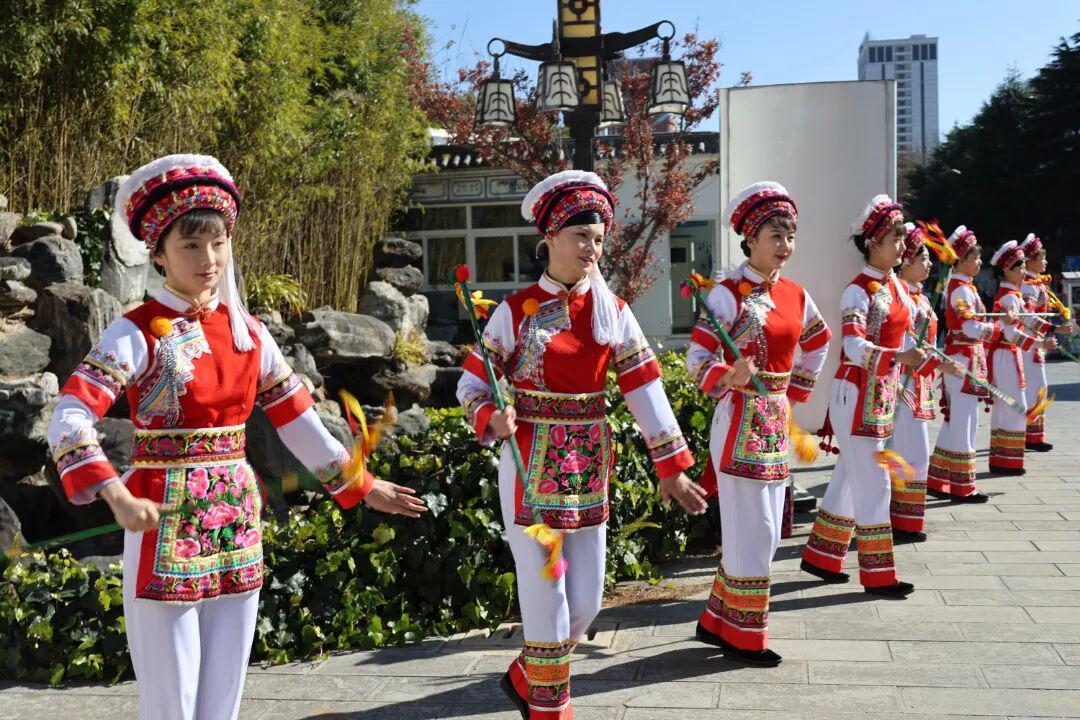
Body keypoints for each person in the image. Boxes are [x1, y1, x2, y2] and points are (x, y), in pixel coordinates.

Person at [46, 154, 425, 720]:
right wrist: (115, 492)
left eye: (218, 244)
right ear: (158, 254)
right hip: (162, 518)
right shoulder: (135, 332)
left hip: (235, 517)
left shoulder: (249, 333)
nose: (209, 260)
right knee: (171, 698)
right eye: (191, 246)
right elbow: (71, 414)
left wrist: (362, 485)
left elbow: (298, 419)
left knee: (224, 692)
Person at [456, 170, 702, 719]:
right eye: (580, 236)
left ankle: (527, 674)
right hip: (528, 463)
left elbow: (644, 385)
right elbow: (471, 384)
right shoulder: (513, 312)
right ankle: (550, 706)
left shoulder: (613, 311)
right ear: (549, 237)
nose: (592, 248)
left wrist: (671, 464)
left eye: (598, 238)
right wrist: (491, 415)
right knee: (546, 592)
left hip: (588, 462)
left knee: (586, 600)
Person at [686, 181, 831, 666]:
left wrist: (795, 392)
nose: (785, 244)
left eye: (790, 235)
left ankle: (717, 620)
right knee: (755, 529)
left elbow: (819, 340)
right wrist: (727, 375)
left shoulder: (796, 293)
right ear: (750, 238)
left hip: (773, 421)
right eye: (775, 235)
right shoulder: (726, 295)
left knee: (766, 531)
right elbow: (696, 358)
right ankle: (744, 636)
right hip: (738, 419)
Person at [802, 195, 928, 597]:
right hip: (856, 393)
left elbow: (906, 337)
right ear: (873, 242)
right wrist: (900, 356)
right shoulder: (856, 292)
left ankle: (821, 556)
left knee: (848, 476)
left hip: (881, 392)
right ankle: (878, 575)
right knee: (875, 481)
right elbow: (854, 346)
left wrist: (926, 358)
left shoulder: (897, 288)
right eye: (896, 238)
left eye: (903, 237)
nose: (903, 245)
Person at [926, 226, 1010, 502]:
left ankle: (938, 479)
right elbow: (971, 328)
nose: (979, 262)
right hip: (962, 360)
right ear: (961, 260)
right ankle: (963, 487)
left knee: (957, 420)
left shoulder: (964, 288)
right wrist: (999, 327)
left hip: (967, 359)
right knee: (965, 422)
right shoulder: (960, 291)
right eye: (974, 258)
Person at [987, 240, 1051, 475]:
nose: (1024, 272)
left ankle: (1004, 460)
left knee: (1009, 406)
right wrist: (1040, 342)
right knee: (1013, 406)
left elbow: (1026, 321)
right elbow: (1011, 333)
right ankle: (1006, 461)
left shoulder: (1012, 294)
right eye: (1021, 267)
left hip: (1009, 353)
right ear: (1007, 270)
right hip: (1005, 354)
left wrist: (1051, 330)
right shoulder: (1009, 297)